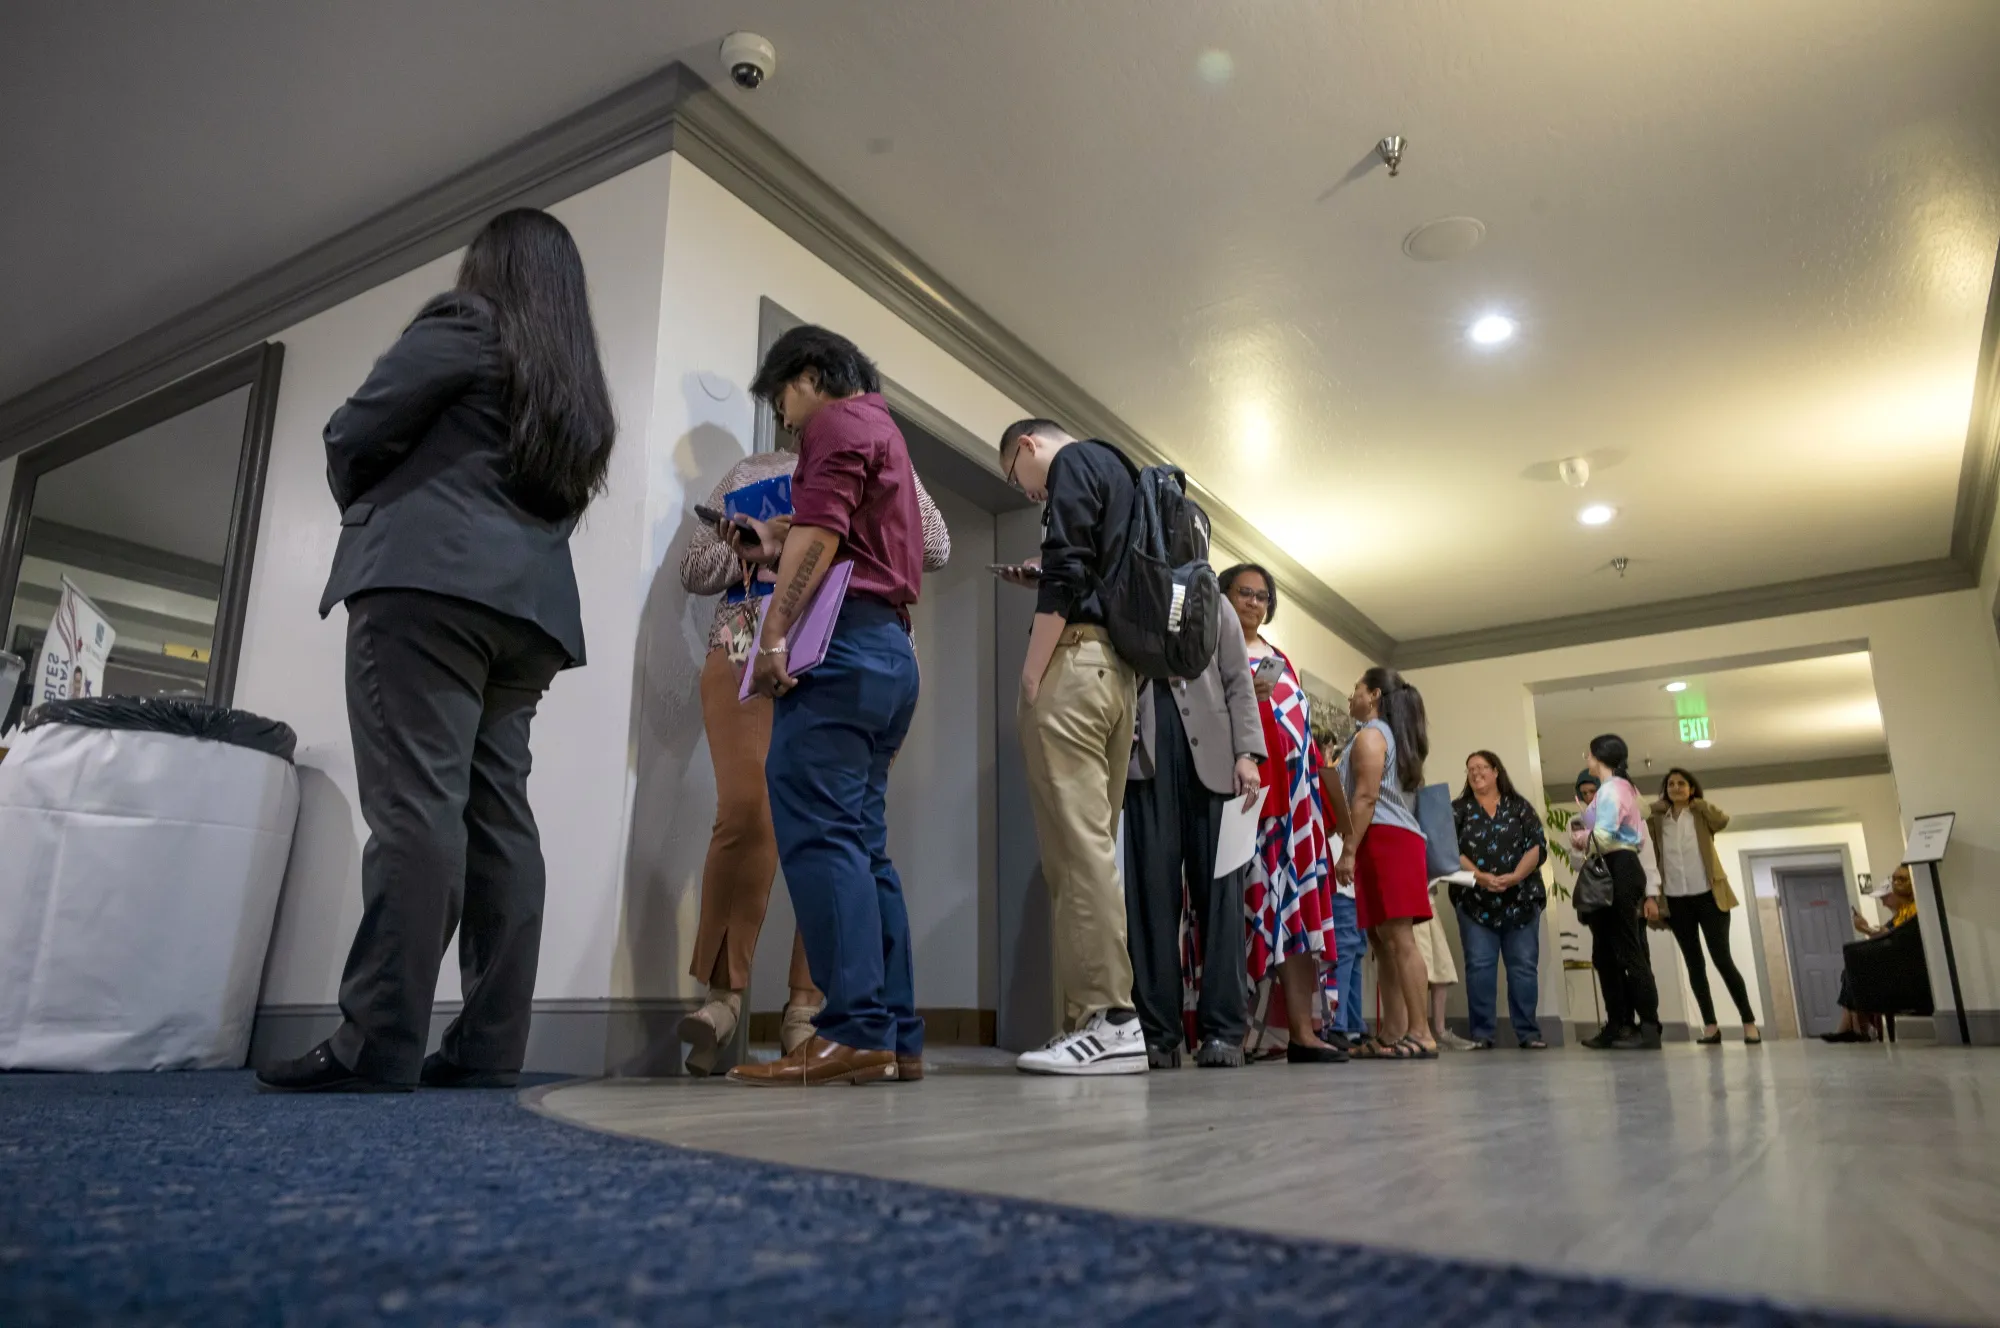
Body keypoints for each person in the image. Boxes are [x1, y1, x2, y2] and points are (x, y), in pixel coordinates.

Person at [260, 209, 615, 1092]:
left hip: (427, 592)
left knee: (417, 808)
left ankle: (374, 1043)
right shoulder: (576, 386)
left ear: (488, 268)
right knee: (499, 819)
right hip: (527, 617)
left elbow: (352, 432)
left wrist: (384, 509)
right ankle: (490, 1048)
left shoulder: (467, 323)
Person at [676, 429, 950, 1075]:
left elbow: (933, 545)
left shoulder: (885, 464)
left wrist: (809, 530)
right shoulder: (751, 469)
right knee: (747, 813)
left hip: (843, 644)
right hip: (745, 639)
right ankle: (723, 994)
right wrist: (762, 540)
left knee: (831, 826)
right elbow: (695, 569)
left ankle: (811, 1006)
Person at [724, 326, 929, 1088]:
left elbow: (827, 531)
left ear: (809, 374)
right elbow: (851, 535)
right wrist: (779, 535)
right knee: (863, 842)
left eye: (784, 402)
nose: (788, 421)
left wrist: (773, 633)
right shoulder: (885, 431)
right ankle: (897, 1033)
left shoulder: (837, 420)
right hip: (890, 652)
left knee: (820, 831)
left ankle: (853, 1029)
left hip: (840, 648)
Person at [998, 419, 1147, 1075]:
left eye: (1015, 478)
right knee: (1089, 849)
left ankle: (1109, 1020)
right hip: (1120, 676)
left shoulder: (1071, 464)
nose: (1029, 494)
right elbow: (1089, 567)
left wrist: (1032, 673)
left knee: (1076, 851)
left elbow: (1065, 570)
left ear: (1027, 447)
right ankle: (1085, 1023)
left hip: (1076, 665)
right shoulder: (1122, 474)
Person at [1122, 562, 1266, 1070]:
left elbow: (1238, 681)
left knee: (1221, 902)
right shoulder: (1133, 589)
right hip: (1148, 758)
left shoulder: (1218, 603)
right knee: (1150, 900)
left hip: (1217, 764)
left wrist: (1248, 752)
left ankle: (1223, 1032)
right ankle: (1158, 1034)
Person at [1221, 564, 1347, 1064]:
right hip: (1243, 806)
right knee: (1242, 916)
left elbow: (1303, 734)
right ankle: (1233, 1034)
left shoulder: (1282, 660)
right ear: (1224, 597)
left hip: (1295, 809)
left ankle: (1302, 1032)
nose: (1252, 603)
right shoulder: (1213, 651)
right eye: (1243, 593)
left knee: (1296, 918)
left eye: (1260, 596)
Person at [1336, 666, 1434, 1060]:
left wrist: (1348, 850)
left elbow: (1365, 798)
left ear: (1374, 695)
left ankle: (1421, 1032)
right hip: (1385, 839)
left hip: (1387, 839)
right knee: (1382, 940)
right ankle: (1393, 1032)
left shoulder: (1373, 736)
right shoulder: (1379, 736)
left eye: (1356, 689)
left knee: (1399, 939)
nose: (1351, 696)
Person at [1647, 769, 1761, 1046]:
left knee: (1722, 959)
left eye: (1681, 783)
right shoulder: (1659, 820)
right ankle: (1710, 1026)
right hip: (1676, 899)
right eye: (1671, 784)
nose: (1676, 787)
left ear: (1691, 788)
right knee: (1694, 964)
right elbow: (1645, 839)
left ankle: (1749, 1023)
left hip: (1710, 896)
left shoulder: (1700, 814)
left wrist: (1698, 803)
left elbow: (1722, 820)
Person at [1451, 751, 1549, 1050]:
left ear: (1496, 771)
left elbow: (1536, 845)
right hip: (1474, 902)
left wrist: (1516, 876)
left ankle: (1528, 1033)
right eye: (1470, 769)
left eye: (1481, 767)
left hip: (1521, 898)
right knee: (1479, 966)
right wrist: (1480, 876)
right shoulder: (1458, 809)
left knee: (1522, 966)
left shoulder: (1519, 807)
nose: (1476, 773)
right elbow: (1448, 849)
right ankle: (1482, 1034)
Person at [1570, 735, 1663, 1050]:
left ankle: (1647, 1026)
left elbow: (1606, 836)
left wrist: (1581, 838)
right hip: (1612, 867)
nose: (1586, 758)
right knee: (1605, 954)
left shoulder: (1614, 789)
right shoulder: (1620, 788)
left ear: (1599, 756)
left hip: (1619, 867)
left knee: (1627, 950)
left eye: (1589, 753)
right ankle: (1618, 1024)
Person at [1310, 699, 1367, 1049]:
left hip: (1351, 883)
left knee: (1355, 951)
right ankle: (1340, 1023)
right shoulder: (1321, 780)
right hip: (1338, 883)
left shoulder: (1342, 780)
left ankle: (1354, 1022)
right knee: (1344, 950)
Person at [1823, 865, 1920, 1043]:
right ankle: (1856, 1026)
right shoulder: (1899, 916)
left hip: (1903, 972)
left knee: (1855, 970)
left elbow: (1893, 938)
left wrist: (1865, 928)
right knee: (1851, 971)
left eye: (1885, 898)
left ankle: (1858, 1027)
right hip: (1895, 967)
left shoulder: (1911, 913)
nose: (1883, 903)